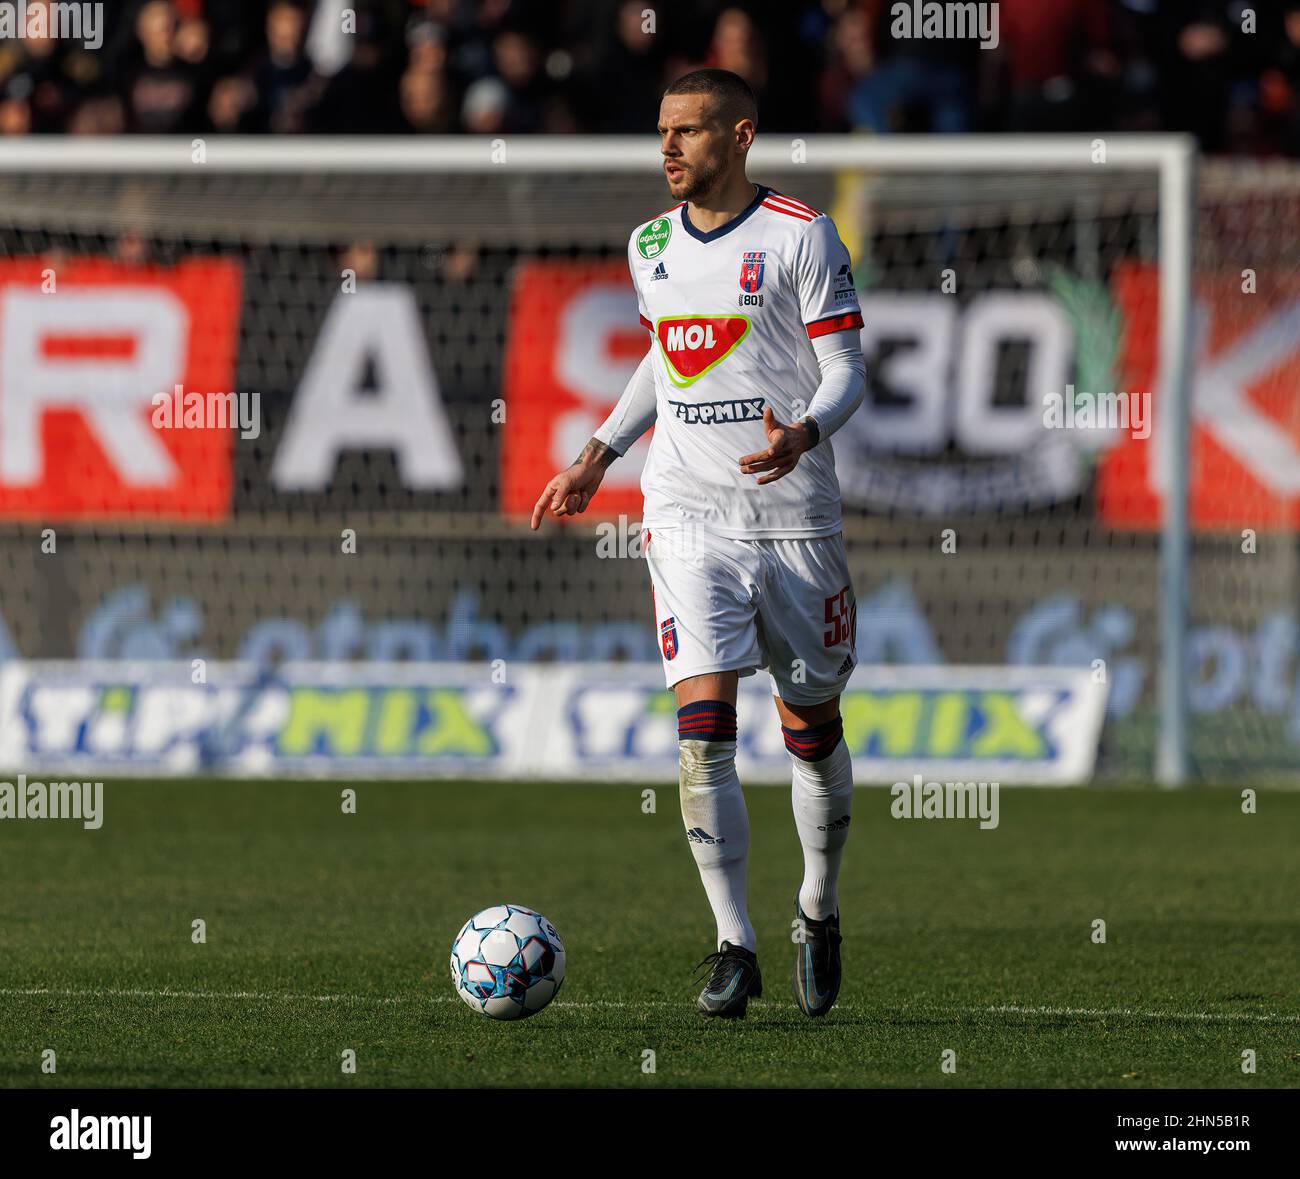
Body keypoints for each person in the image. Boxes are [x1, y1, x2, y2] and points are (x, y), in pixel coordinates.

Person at [530, 68, 866, 1019]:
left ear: (742, 135)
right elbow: (666, 353)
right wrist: (600, 450)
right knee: (701, 733)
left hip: (794, 512)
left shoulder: (801, 235)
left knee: (811, 729)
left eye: (690, 131)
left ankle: (818, 905)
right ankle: (734, 943)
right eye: (663, 131)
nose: (670, 148)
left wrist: (803, 431)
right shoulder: (648, 243)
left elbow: (845, 366)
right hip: (684, 513)